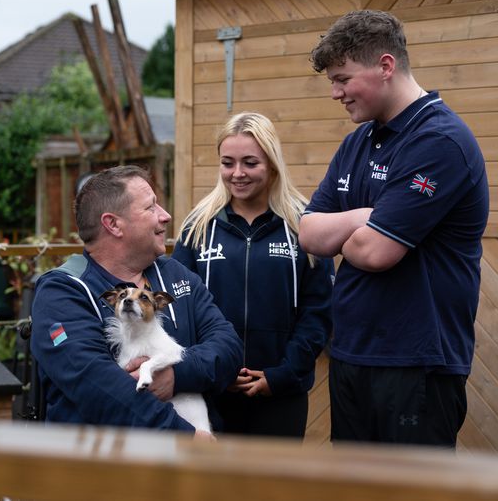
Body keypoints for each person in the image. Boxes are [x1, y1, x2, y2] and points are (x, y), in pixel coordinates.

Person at [298, 10, 489, 448]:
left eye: (343, 78)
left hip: (416, 364)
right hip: (352, 354)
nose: (335, 93)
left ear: (385, 66)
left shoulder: (439, 141)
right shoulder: (357, 142)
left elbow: (376, 253)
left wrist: (351, 229)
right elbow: (308, 234)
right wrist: (365, 216)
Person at [30, 165, 243, 437]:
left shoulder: (176, 274)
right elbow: (98, 387)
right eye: (150, 207)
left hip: (192, 464)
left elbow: (229, 348)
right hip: (103, 469)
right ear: (113, 224)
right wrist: (183, 437)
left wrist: (177, 376)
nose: (165, 216)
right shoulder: (64, 291)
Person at [171, 112, 333, 438]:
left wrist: (282, 374)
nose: (237, 173)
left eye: (250, 163)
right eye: (227, 163)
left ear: (272, 163)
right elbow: (179, 309)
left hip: (280, 394)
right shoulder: (197, 227)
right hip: (212, 392)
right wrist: (214, 369)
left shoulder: (304, 225)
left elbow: (319, 312)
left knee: (270, 490)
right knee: (212, 489)